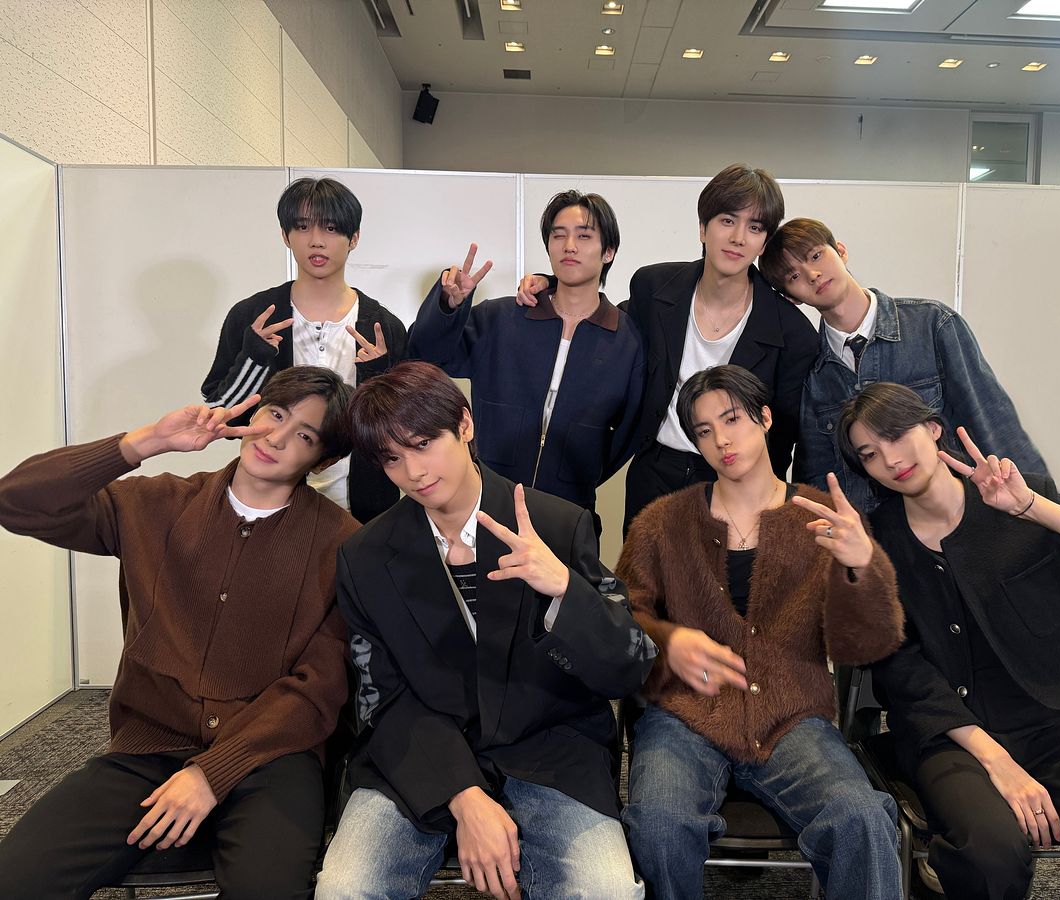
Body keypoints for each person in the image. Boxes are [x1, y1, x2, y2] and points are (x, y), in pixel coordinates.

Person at [0, 367, 360, 900]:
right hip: (148, 748)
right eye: (275, 414)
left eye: (304, 435)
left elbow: (319, 687)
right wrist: (147, 441)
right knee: (16, 879)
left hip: (272, 754)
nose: (277, 438)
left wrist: (212, 773)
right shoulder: (156, 504)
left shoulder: (342, 543)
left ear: (322, 460)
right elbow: (17, 501)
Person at [316, 361, 658, 900]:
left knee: (608, 890)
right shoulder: (364, 556)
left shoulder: (556, 523)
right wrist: (464, 794)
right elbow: (380, 700)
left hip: (550, 751)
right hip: (421, 754)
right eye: (392, 458)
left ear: (465, 424)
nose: (414, 472)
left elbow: (629, 667)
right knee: (344, 889)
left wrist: (564, 590)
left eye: (424, 444)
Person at [838, 382, 1060, 900]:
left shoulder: (1020, 502)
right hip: (949, 740)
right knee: (992, 857)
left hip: (1047, 728)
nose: (890, 459)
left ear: (933, 429)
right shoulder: (876, 542)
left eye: (896, 435)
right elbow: (900, 668)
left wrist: (1033, 508)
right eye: (869, 453)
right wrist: (997, 761)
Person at [616, 364, 905, 899]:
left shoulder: (825, 519)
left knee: (861, 818)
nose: (722, 440)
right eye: (704, 430)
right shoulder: (662, 522)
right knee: (658, 823)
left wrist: (862, 566)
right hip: (684, 715)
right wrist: (667, 642)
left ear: (766, 418)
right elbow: (620, 619)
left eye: (732, 420)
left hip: (791, 715)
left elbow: (865, 645)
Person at [519, 164, 820, 533]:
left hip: (736, 484)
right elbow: (606, 322)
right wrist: (552, 285)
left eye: (755, 228)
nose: (739, 238)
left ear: (764, 241)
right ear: (703, 228)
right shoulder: (654, 286)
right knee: (642, 570)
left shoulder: (792, 333)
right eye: (727, 221)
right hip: (655, 473)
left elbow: (785, 438)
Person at [759, 216, 1045, 514]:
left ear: (840, 251)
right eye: (794, 276)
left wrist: (1039, 512)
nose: (813, 274)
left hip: (957, 520)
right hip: (870, 534)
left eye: (816, 256)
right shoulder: (810, 368)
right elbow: (817, 475)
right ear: (790, 298)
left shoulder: (932, 324)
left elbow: (991, 421)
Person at [408, 190, 644, 533]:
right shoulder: (501, 318)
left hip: (570, 514)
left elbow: (629, 431)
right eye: (558, 235)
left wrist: (580, 472)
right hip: (487, 505)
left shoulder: (626, 340)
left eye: (584, 236)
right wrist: (449, 305)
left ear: (608, 251)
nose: (569, 246)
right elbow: (427, 356)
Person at [202, 176, 408, 522]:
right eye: (302, 227)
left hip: (364, 509)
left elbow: (401, 433)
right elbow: (221, 415)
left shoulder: (383, 326)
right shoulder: (253, 315)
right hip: (268, 504)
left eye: (331, 228)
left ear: (354, 238)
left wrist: (377, 379)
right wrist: (255, 359)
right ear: (286, 236)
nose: (316, 240)